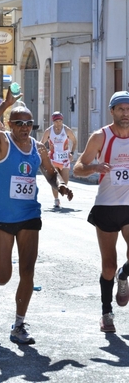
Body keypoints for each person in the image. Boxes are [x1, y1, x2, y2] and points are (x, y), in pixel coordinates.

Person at [0, 87, 73, 344]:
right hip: (3, 218)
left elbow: (50, 173)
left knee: (27, 271)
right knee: (5, 276)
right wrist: (4, 104)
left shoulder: (38, 148)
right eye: (19, 123)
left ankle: (19, 324)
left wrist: (59, 185)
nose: (25, 128)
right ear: (9, 123)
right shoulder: (1, 141)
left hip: (29, 215)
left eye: (29, 124)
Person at [73, 90, 129, 333]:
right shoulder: (100, 137)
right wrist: (95, 166)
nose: (126, 114)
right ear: (112, 111)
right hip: (106, 205)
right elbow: (77, 168)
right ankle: (106, 313)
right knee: (108, 266)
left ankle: (124, 275)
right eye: (121, 110)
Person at [41, 111, 77, 208]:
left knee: (64, 182)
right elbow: (41, 143)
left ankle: (61, 192)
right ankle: (56, 200)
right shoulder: (49, 131)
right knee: (55, 181)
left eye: (60, 121)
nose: (58, 123)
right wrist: (44, 155)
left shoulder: (67, 130)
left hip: (65, 159)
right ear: (53, 121)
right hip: (53, 158)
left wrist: (72, 153)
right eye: (56, 121)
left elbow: (74, 141)